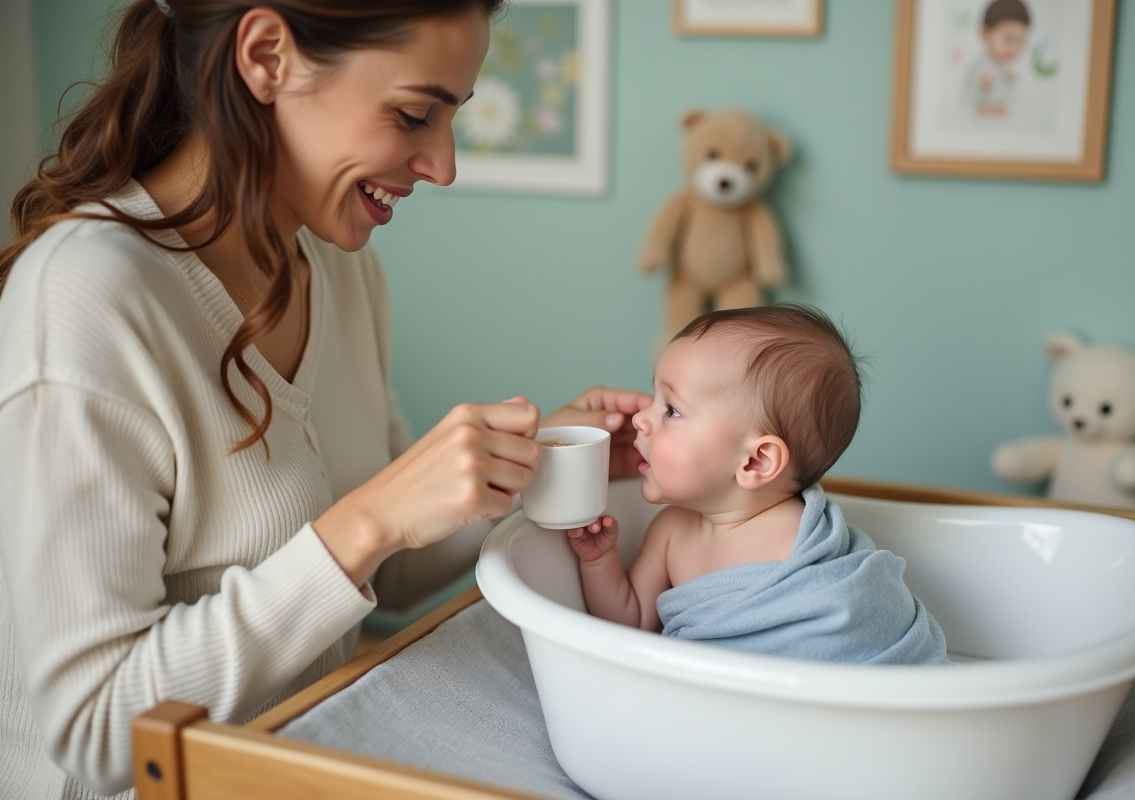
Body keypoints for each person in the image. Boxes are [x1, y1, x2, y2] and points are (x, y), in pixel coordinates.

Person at [0, 1, 650, 797]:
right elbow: (95, 728)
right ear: (267, 57)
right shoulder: (86, 294)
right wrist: (366, 520)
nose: (443, 166)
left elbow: (387, 576)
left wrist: (532, 465)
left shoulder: (341, 268)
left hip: (294, 766)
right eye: (414, 114)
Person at [567, 304, 949, 665]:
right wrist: (599, 561)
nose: (640, 418)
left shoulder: (807, 544)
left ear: (756, 461)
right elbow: (632, 623)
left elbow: (849, 619)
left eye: (671, 410)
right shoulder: (669, 530)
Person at [966, 0, 1032, 117]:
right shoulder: (979, 65)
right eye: (1009, 41)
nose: (1014, 49)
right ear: (986, 34)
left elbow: (1009, 97)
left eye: (1020, 42)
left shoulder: (1005, 67)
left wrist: (1010, 81)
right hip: (982, 118)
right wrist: (981, 86)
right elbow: (967, 97)